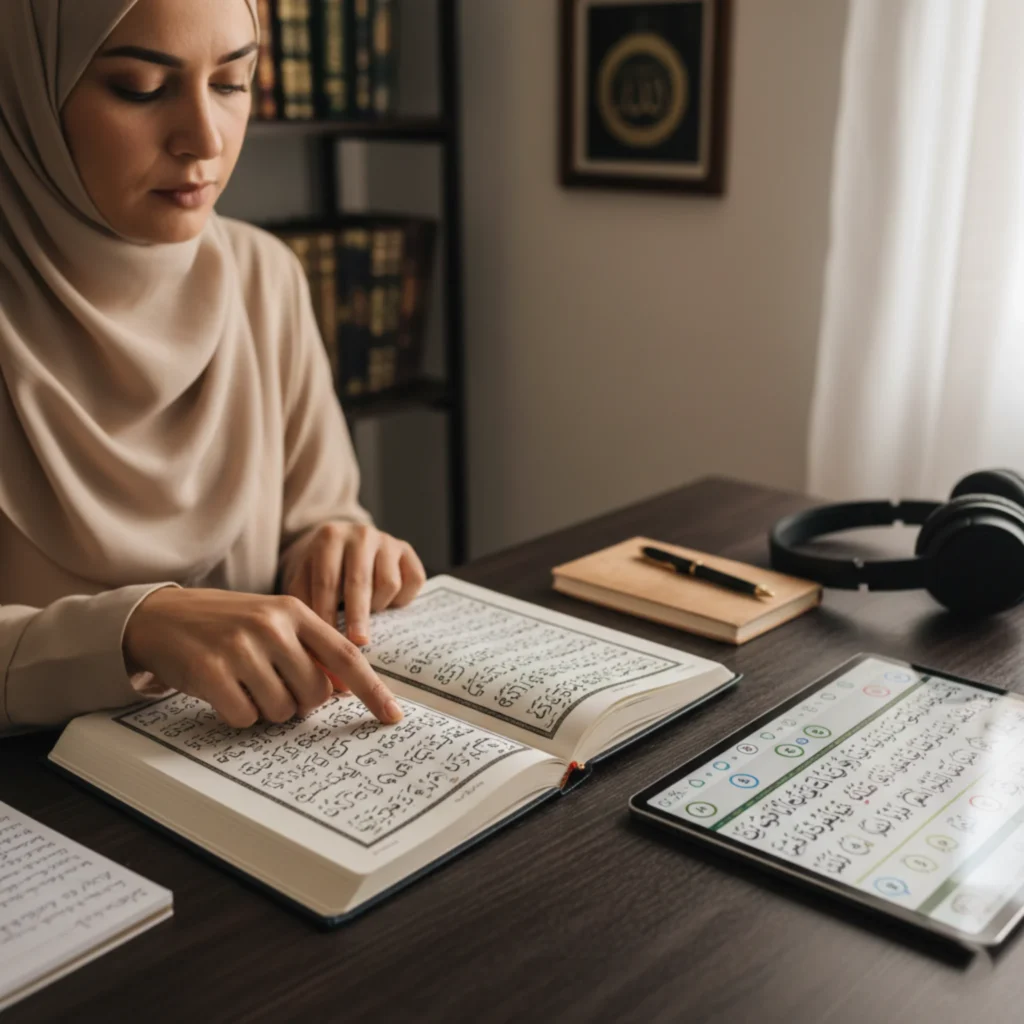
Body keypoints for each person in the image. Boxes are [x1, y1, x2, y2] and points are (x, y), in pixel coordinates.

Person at [0, 0, 427, 737]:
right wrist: (133, 629)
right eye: (139, 87)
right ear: (28, 88)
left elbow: (318, 517)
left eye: (232, 82)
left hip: (257, 781)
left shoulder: (266, 277)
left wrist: (338, 546)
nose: (204, 138)